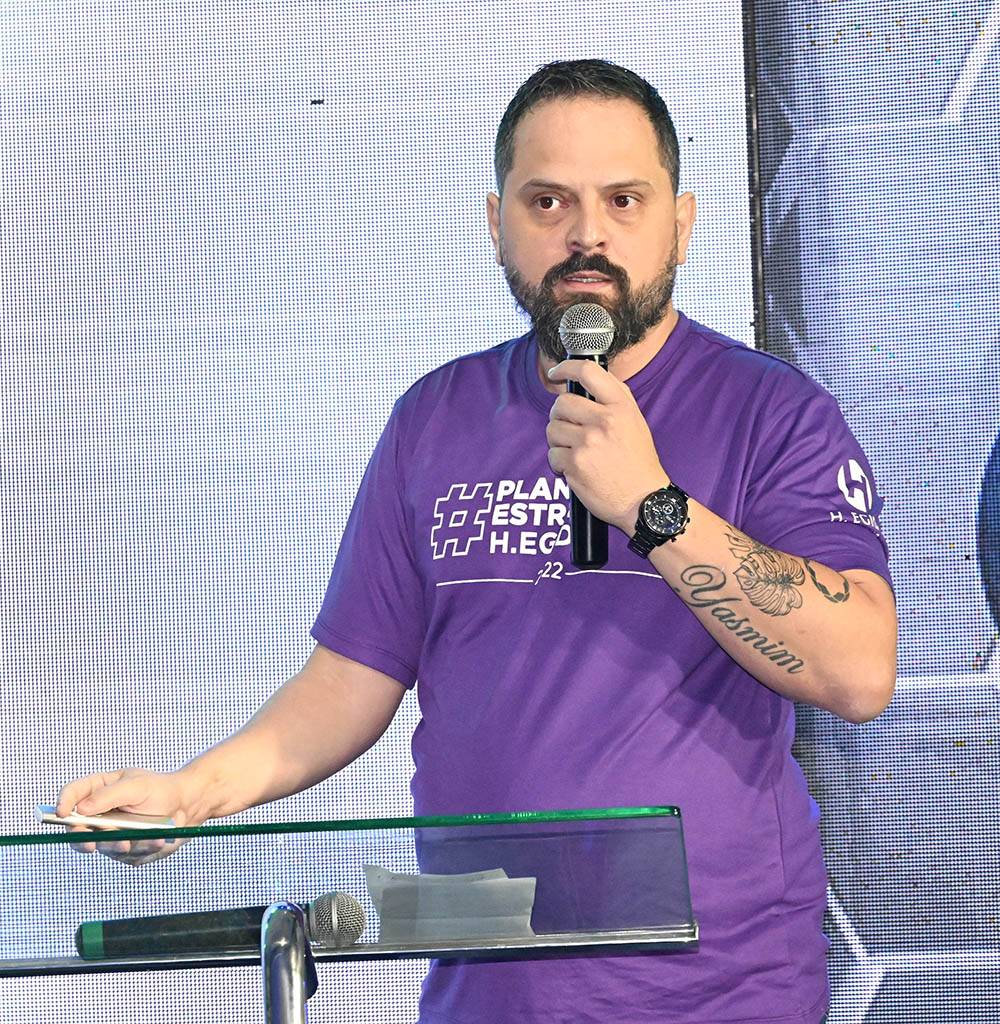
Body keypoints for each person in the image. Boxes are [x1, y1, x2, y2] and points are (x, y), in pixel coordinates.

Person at [59, 60, 897, 1023]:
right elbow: (350, 679)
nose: (587, 233)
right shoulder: (436, 418)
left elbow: (858, 672)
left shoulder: (772, 413)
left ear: (682, 223)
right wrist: (190, 794)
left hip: (716, 996)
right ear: (497, 223)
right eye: (549, 201)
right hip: (490, 991)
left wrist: (649, 503)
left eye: (624, 200)